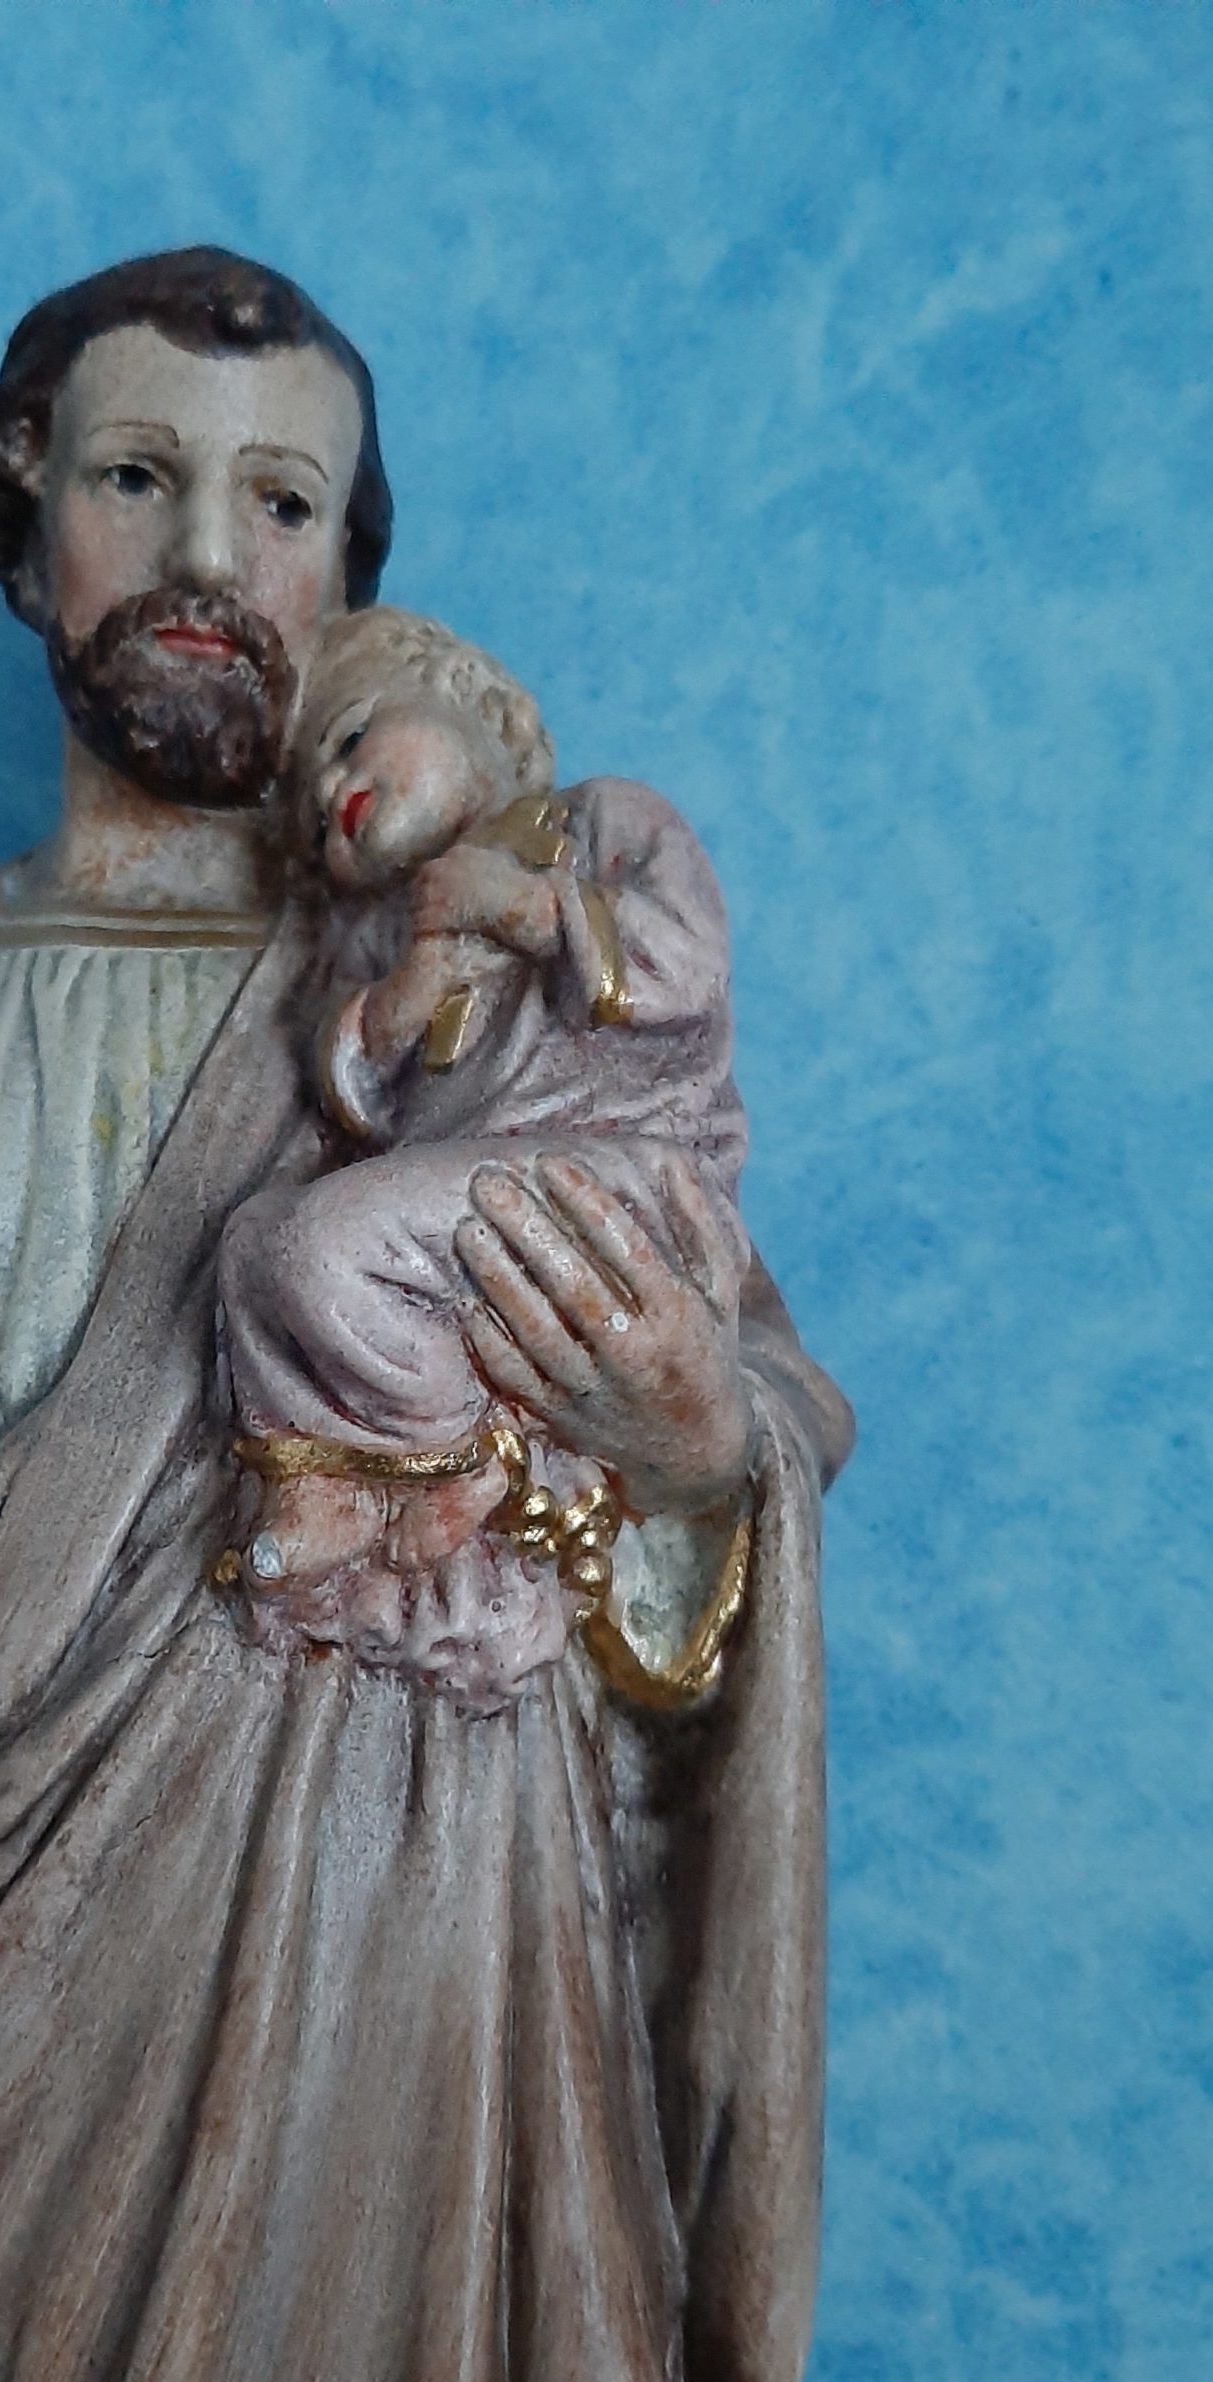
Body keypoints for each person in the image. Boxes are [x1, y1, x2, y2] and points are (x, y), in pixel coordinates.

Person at [0, 246, 854, 2382]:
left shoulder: (480, 1000)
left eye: (281, 501)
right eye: (134, 475)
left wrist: (694, 1452)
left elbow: (733, 1462)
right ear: (23, 526)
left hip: (422, 2013)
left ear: (352, 578)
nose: (206, 552)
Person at [218, 604, 753, 1707]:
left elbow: (685, 961)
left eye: (354, 734)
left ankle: (459, 1469)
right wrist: (405, 992)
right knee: (255, 1243)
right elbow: (358, 1097)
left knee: (321, 1243)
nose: (334, 788)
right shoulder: (387, 942)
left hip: (616, 1195)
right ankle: (326, 1479)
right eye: (314, 811)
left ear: (485, 707)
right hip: (473, 1211)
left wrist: (527, 908)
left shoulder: (593, 821)